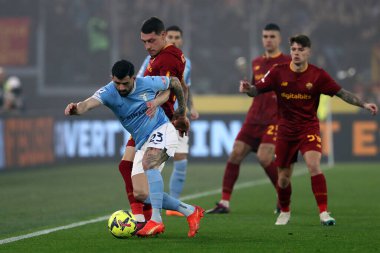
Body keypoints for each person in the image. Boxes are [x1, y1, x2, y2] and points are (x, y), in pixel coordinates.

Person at [240, 34, 378, 225]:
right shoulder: (277, 72)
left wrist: (364, 104)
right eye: (294, 49)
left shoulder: (318, 75)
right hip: (286, 130)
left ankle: (323, 213)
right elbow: (256, 90)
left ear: (308, 52)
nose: (296, 53)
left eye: (301, 50)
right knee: (283, 179)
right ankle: (285, 211)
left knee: (314, 165)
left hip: (308, 128)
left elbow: (341, 93)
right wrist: (248, 88)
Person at [64, 59, 204, 237]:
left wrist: (182, 112)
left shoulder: (146, 82)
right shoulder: (108, 91)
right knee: (141, 194)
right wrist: (75, 108)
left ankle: (156, 221)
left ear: (133, 78)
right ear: (111, 78)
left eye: (125, 83)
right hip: (142, 142)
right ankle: (191, 211)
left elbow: (175, 82)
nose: (121, 88)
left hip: (162, 129)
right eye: (117, 83)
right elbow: (87, 104)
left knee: (149, 163)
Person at [207, 23, 290, 214]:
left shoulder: (287, 62)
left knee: (264, 157)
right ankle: (224, 203)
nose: (268, 39)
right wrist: (247, 89)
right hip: (253, 118)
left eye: (272, 36)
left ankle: (282, 196)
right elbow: (255, 90)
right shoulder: (256, 62)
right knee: (235, 153)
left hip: (274, 119)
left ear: (279, 39)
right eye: (265, 36)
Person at [117, 17, 190, 226]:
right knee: (125, 166)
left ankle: (151, 219)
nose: (147, 46)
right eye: (144, 42)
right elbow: (181, 85)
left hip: (155, 121)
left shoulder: (166, 58)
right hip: (147, 118)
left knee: (142, 184)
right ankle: (142, 218)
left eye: (151, 41)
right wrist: (183, 112)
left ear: (163, 35)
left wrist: (160, 105)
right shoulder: (164, 56)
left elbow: (168, 90)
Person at [137, 25, 199, 217]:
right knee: (147, 168)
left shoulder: (183, 62)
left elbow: (183, 87)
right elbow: (138, 82)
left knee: (179, 160)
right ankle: (155, 211)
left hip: (172, 116)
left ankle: (170, 208)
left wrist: (188, 108)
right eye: (170, 36)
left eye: (176, 37)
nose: (174, 39)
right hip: (156, 118)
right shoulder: (150, 60)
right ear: (165, 36)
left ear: (181, 39)